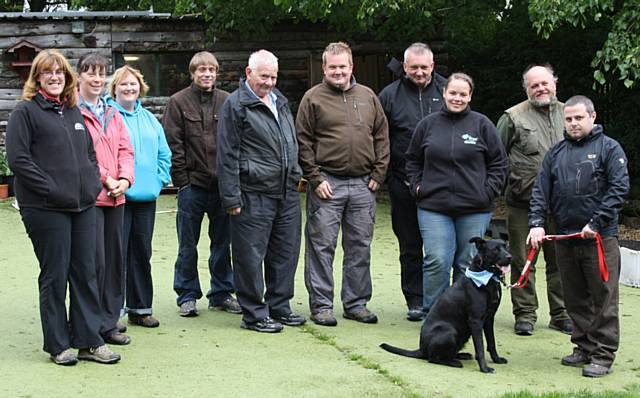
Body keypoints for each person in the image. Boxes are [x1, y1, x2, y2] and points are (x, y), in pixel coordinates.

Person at [6, 49, 120, 365]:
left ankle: (89, 341)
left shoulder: (72, 112)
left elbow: (90, 156)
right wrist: (53, 190)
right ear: (38, 78)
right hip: (45, 209)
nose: (55, 77)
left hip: (83, 205)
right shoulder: (24, 113)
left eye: (60, 72)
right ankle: (58, 345)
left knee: (86, 273)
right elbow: (19, 161)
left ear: (67, 78)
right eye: (47, 72)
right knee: (55, 275)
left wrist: (92, 184)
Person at [527, 95, 629, 378]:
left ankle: (603, 355)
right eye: (568, 119)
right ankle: (583, 346)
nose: (572, 123)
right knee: (574, 298)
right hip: (565, 237)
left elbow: (619, 189)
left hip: (599, 238)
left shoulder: (609, 148)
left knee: (603, 299)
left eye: (578, 118)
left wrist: (597, 222)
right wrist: (537, 223)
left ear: (592, 117)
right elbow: (540, 191)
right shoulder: (556, 153)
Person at [296, 42, 390, 327]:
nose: (339, 72)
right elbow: (303, 141)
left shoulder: (368, 96)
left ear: (352, 67)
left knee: (360, 246)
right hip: (328, 183)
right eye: (333, 67)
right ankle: (322, 305)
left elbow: (382, 135)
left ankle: (356, 303)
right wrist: (315, 178)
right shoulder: (312, 99)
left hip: (363, 184)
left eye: (343, 66)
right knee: (321, 247)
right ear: (324, 68)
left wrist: (378, 174)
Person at [217, 49, 305, 333]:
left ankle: (279, 306)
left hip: (286, 192)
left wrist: (296, 174)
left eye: (273, 76)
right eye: (263, 76)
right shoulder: (236, 105)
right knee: (250, 256)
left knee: (285, 253)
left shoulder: (280, 101)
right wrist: (231, 197)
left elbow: (289, 140)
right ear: (248, 73)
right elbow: (227, 154)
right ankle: (254, 313)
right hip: (251, 192)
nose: (268, 82)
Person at [405, 72, 507, 317]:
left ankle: (463, 314)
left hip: (474, 208)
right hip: (433, 206)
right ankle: (434, 312)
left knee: (466, 262)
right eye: (453, 93)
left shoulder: (482, 125)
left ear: (470, 96)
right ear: (444, 93)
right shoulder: (427, 125)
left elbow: (499, 164)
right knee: (437, 259)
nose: (457, 98)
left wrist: (488, 192)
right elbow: (412, 161)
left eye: (463, 94)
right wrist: (417, 187)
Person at [163, 51, 240, 317]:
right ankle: (186, 294)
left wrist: (232, 182)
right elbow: (173, 144)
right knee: (187, 244)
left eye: (211, 70)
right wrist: (182, 181)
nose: (206, 74)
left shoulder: (228, 101)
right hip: (191, 187)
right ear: (192, 73)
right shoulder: (178, 102)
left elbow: (235, 143)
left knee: (222, 244)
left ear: (217, 73)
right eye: (201, 70)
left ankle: (221, 293)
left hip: (222, 188)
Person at [497, 64, 571, 336]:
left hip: (563, 206)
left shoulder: (571, 114)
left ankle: (561, 313)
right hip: (522, 204)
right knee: (521, 259)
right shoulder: (512, 117)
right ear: (526, 89)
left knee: (561, 261)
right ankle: (525, 314)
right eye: (534, 85)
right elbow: (496, 156)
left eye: (544, 83)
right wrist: (509, 185)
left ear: (555, 83)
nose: (540, 88)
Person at [378, 42, 445, 321]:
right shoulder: (389, 96)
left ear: (433, 66)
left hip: (442, 185)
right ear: (405, 67)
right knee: (410, 244)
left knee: (441, 247)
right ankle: (415, 299)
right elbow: (379, 137)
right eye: (413, 67)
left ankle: (442, 300)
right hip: (402, 183)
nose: (419, 72)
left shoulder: (447, 90)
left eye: (424, 67)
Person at [107, 66, 172, 328]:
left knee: (141, 253)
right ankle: (115, 311)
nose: (129, 89)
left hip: (146, 198)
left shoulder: (149, 119)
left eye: (133, 84)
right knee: (116, 254)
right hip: (117, 198)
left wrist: (157, 180)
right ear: (114, 89)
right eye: (123, 85)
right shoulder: (109, 117)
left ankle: (141, 308)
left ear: (140, 87)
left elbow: (164, 154)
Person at [77, 53, 134, 345]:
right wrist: (106, 179)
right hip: (90, 199)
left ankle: (109, 321)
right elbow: (80, 154)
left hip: (116, 198)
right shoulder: (74, 111)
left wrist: (124, 180)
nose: (97, 79)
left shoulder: (112, 113)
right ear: (79, 77)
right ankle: (94, 322)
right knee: (94, 264)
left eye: (101, 74)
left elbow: (126, 149)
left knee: (114, 262)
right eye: (91, 73)